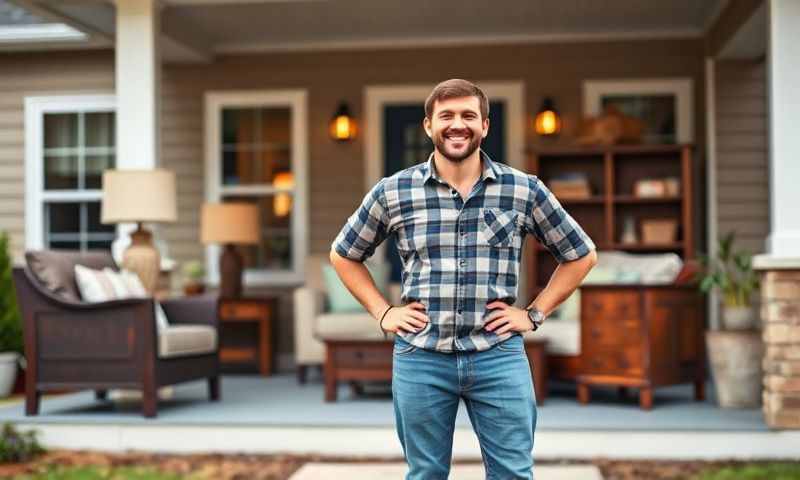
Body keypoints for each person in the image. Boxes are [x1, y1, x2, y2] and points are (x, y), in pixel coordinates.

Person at [329, 78, 597, 480]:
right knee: (425, 474)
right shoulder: (393, 191)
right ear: (428, 126)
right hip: (421, 356)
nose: (458, 125)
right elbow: (344, 254)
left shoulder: (523, 190)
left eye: (469, 115)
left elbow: (581, 255)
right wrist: (383, 313)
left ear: (485, 125)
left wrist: (535, 313)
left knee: (512, 474)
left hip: (498, 356)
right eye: (447, 116)